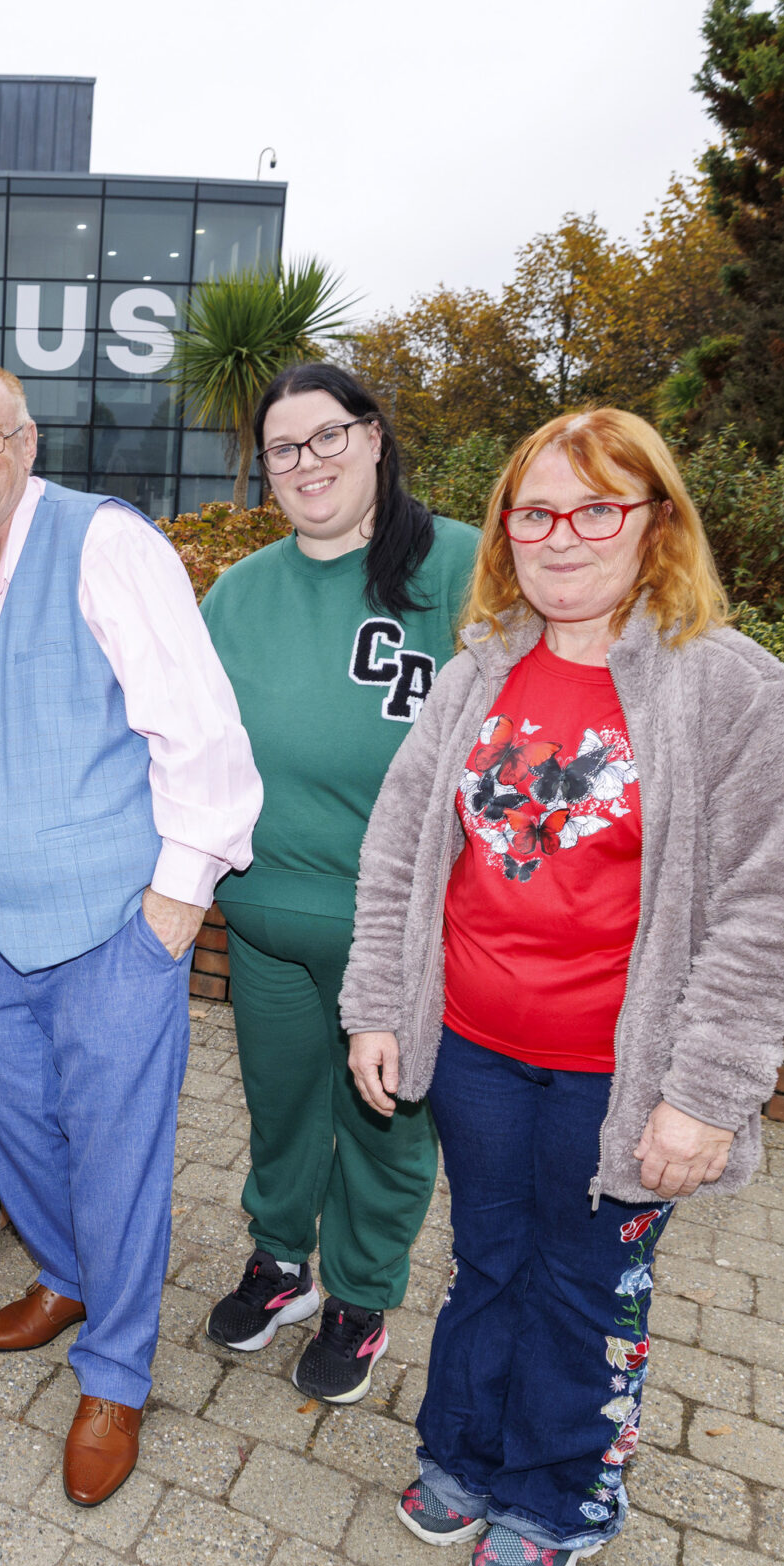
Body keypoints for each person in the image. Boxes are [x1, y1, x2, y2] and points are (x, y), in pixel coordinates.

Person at [341, 406, 784, 1566]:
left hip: (623, 1071)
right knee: (490, 1257)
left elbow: (769, 911)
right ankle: (463, 1448)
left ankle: (563, 1486)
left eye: (596, 508)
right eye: (536, 510)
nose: (563, 535)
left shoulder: (734, 688)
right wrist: (377, 1004)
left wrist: (704, 1093)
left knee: (585, 1278)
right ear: (506, 528)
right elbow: (400, 850)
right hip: (477, 1051)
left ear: (655, 521)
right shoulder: (479, 670)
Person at [0, 361, 260, 1506]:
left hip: (115, 925)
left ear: (26, 439)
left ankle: (114, 1370)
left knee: (120, 1156)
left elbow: (201, 733)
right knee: (13, 1122)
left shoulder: (105, 542)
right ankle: (65, 1273)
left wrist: (171, 911)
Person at [197, 361, 479, 1405]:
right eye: (282, 448)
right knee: (281, 1105)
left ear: (372, 438)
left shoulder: (456, 567)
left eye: (325, 437)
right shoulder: (240, 591)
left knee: (385, 1121)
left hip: (398, 934)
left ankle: (362, 1295)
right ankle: (281, 1262)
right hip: (267, 919)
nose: (305, 462)